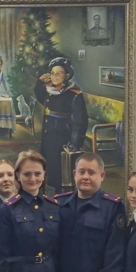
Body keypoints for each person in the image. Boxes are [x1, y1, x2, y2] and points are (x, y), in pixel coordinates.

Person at [35, 57, 88, 193]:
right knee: (49, 166)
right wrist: (40, 82)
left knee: (62, 171)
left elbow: (80, 122)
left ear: (67, 76)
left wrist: (75, 143)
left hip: (63, 137)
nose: (54, 76)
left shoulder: (74, 94)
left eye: (59, 73)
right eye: (52, 73)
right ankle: (51, 194)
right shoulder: (50, 90)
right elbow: (39, 95)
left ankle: (63, 195)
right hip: (49, 136)